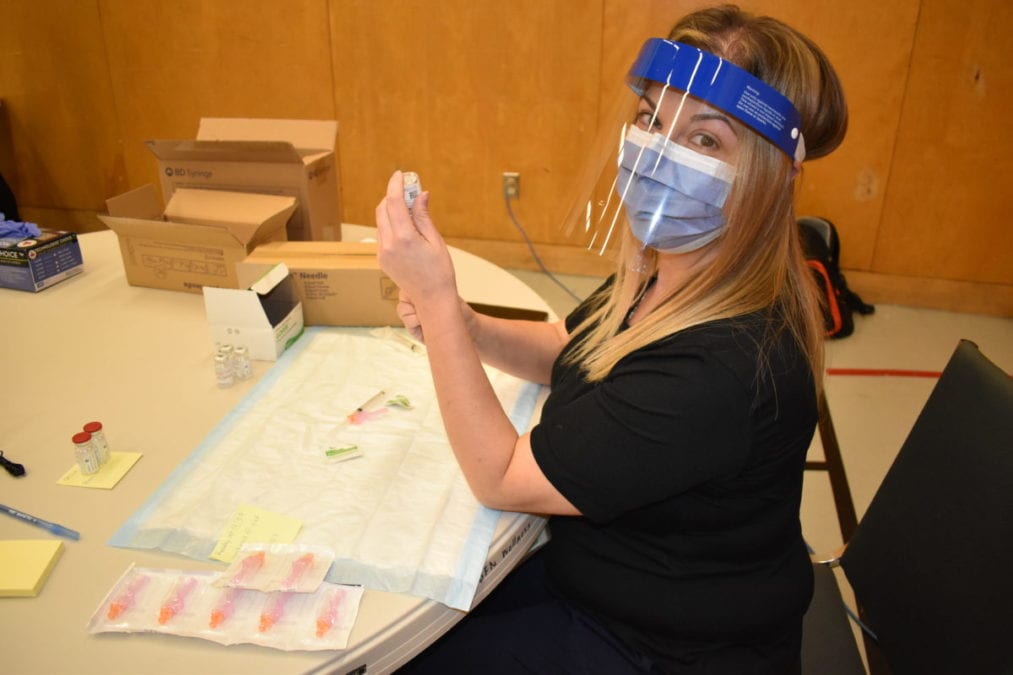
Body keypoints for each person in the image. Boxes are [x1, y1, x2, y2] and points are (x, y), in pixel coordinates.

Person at [375, 4, 847, 673]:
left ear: (767, 176)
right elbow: (569, 349)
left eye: (705, 140)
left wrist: (437, 302)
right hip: (606, 581)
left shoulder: (725, 362)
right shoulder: (670, 267)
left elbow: (502, 477)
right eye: (651, 119)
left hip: (660, 646)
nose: (657, 151)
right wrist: (468, 326)